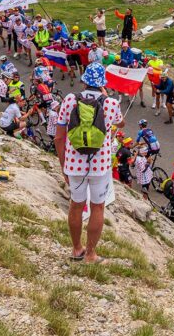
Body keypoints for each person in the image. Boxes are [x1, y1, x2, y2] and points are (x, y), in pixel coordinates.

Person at [55, 61, 124, 263]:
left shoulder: (69, 100)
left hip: (74, 164)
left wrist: (63, 166)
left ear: (84, 81)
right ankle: (91, 253)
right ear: (102, 83)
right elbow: (121, 123)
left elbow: (59, 137)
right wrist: (105, 94)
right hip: (99, 166)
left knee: (76, 205)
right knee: (97, 207)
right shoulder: (111, 104)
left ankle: (77, 249)